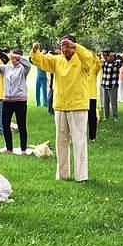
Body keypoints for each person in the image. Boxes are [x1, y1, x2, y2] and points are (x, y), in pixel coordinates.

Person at [31, 36, 98, 182]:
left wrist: (76, 46)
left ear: (74, 46)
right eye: (62, 46)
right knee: (61, 141)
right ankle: (62, 174)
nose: (64, 49)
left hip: (78, 106)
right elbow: (42, 61)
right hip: (60, 106)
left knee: (79, 141)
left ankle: (81, 176)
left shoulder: (82, 60)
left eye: (67, 46)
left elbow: (90, 59)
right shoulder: (57, 60)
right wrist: (35, 51)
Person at [0, 47, 32, 153]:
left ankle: (23, 149)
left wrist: (17, 56)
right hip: (7, 100)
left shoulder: (23, 69)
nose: (13, 60)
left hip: (20, 101)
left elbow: (28, 64)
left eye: (15, 58)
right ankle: (9, 148)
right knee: (5, 123)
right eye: (12, 58)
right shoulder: (7, 68)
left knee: (21, 124)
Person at [100, 51, 123, 122]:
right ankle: (106, 117)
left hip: (113, 85)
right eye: (108, 56)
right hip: (104, 85)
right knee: (105, 103)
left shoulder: (116, 64)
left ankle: (115, 117)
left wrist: (117, 55)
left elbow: (122, 60)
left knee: (113, 102)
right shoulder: (104, 63)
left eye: (111, 56)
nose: (109, 57)